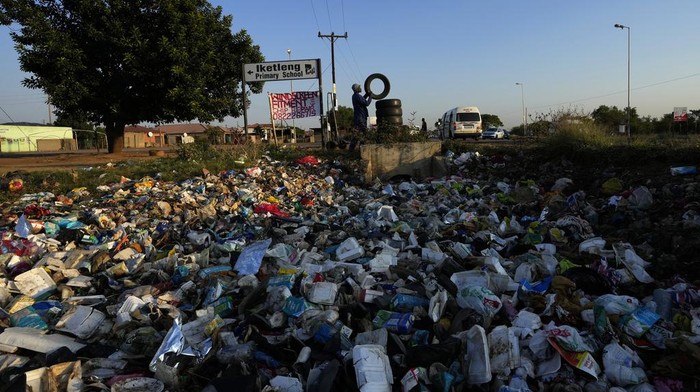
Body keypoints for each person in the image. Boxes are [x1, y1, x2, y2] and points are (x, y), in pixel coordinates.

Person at [350, 83, 371, 151]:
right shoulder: (357, 96)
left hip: (358, 118)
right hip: (360, 118)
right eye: (359, 87)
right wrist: (371, 96)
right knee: (364, 134)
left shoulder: (355, 96)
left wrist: (367, 95)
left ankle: (352, 150)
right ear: (357, 89)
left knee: (357, 135)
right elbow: (366, 103)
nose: (360, 88)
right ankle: (362, 149)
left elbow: (362, 100)